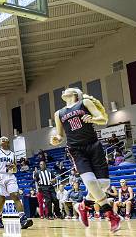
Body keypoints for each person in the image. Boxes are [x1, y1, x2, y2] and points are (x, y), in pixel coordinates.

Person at [50, 88, 120, 232]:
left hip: (94, 145)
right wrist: (56, 140)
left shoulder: (85, 103)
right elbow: (60, 135)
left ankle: (83, 205)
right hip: (76, 150)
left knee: (104, 185)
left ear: (75, 94)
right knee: (91, 183)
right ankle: (111, 215)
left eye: (68, 89)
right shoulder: (59, 113)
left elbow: (103, 119)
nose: (65, 89)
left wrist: (93, 119)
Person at [0, 136, 33, 229]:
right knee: (2, 199)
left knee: (15, 196)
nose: (3, 140)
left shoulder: (12, 154)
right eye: (1, 139)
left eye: (5, 139)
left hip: (10, 176)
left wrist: (13, 167)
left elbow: (15, 169)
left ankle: (23, 219)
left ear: (8, 142)